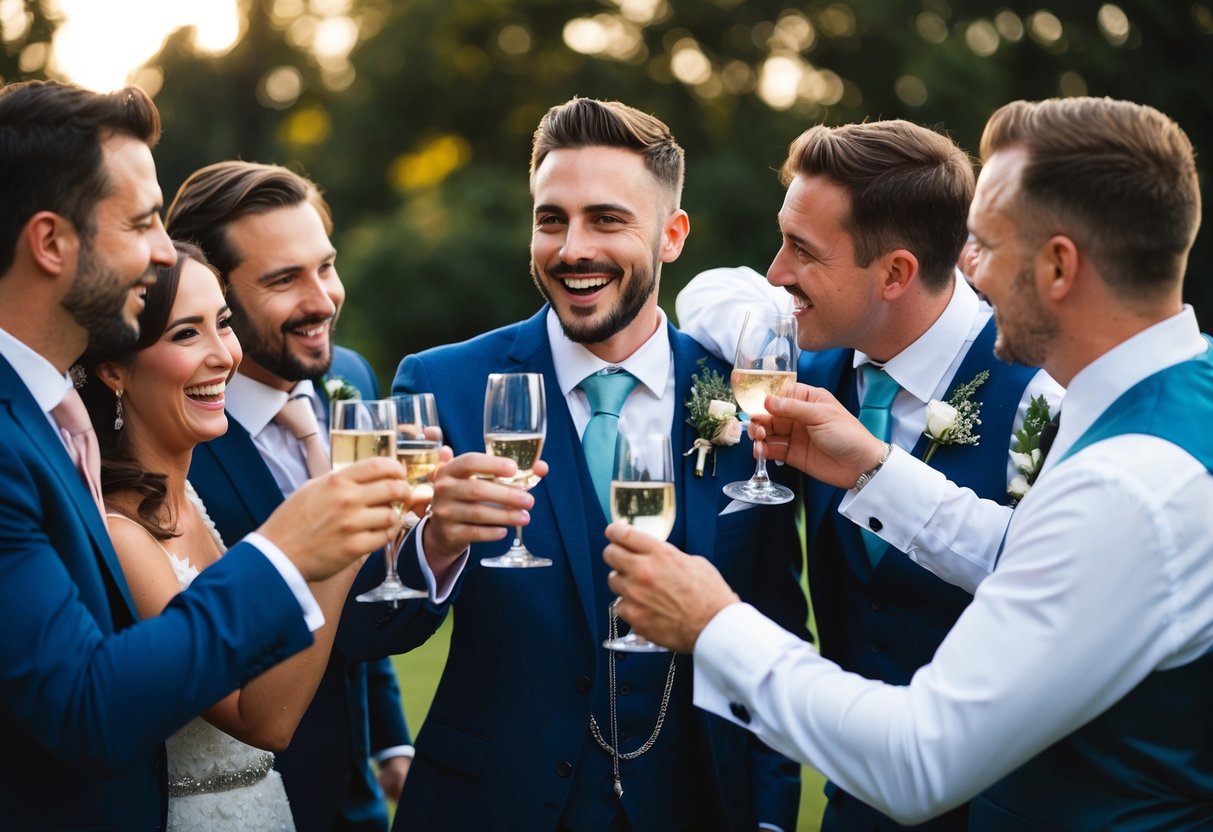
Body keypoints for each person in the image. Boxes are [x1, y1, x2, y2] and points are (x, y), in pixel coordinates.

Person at [606, 96, 1213, 829]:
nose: (969, 277)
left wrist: (712, 624)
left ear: (1057, 266)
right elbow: (1029, 558)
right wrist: (873, 468)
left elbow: (916, 761)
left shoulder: (1125, 486)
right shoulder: (1175, 403)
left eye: (984, 246)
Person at [343, 97, 809, 831]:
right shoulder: (443, 386)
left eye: (606, 219)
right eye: (550, 219)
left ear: (671, 235)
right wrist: (432, 548)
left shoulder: (745, 395)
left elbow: (775, 626)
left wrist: (772, 818)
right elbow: (365, 631)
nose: (570, 249)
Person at [0, 80, 406, 830]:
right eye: (144, 223)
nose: (161, 250)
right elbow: (84, 705)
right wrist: (289, 550)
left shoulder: (52, 417)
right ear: (51, 242)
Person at [676, 120, 1061, 830]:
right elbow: (704, 292)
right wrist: (760, 335)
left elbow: (1054, 582)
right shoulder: (809, 364)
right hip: (854, 809)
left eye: (801, 250)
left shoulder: (1040, 394)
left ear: (894, 274)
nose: (775, 273)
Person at [165, 161, 415, 832]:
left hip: (357, 802)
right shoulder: (172, 436)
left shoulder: (353, 380)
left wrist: (391, 743)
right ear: (212, 295)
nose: (323, 300)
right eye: (284, 280)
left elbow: (359, 601)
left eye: (325, 266)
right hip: (241, 797)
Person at [80, 240, 339, 829]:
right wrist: (341, 551)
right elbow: (264, 718)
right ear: (114, 369)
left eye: (223, 323)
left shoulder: (194, 502)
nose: (225, 354)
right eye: (185, 334)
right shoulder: (122, 534)